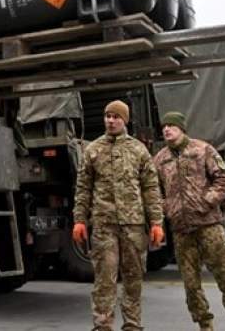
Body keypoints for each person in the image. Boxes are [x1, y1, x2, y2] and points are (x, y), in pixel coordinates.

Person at [153, 111, 225, 331]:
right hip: (181, 230)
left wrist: (207, 201)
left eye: (171, 125)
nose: (166, 129)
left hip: (209, 227)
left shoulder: (202, 149)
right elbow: (153, 190)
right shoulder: (160, 159)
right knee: (191, 286)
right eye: (164, 126)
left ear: (182, 128)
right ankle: (205, 325)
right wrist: (166, 208)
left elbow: (224, 179)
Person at [72, 100, 165, 331]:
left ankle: (133, 325)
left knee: (133, 279)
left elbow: (151, 188)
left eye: (116, 117)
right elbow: (83, 188)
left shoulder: (138, 150)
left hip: (133, 226)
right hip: (104, 225)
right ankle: (102, 326)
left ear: (125, 120)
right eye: (107, 116)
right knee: (104, 280)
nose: (110, 120)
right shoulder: (93, 150)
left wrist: (156, 222)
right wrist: (79, 220)